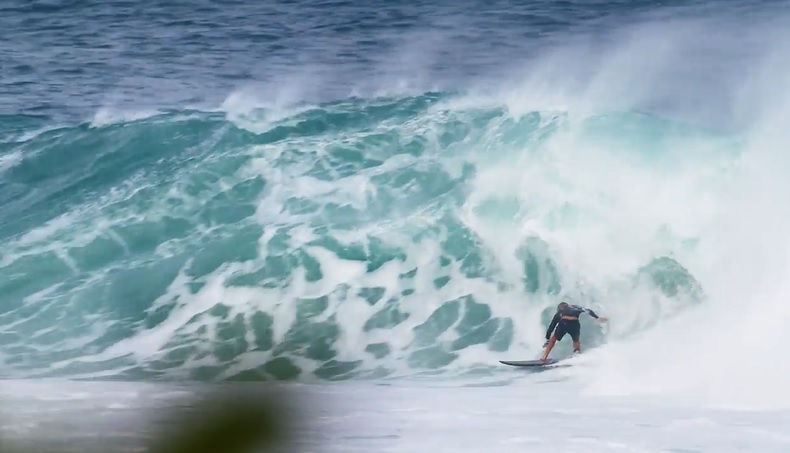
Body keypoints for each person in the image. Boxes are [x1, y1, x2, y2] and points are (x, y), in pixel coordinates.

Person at [541, 301, 607, 361]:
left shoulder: (560, 312)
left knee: (553, 338)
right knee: (576, 341)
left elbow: (551, 327)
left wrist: (547, 339)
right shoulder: (576, 308)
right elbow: (588, 310)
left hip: (564, 323)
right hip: (575, 324)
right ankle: (577, 355)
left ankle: (544, 357)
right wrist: (597, 318)